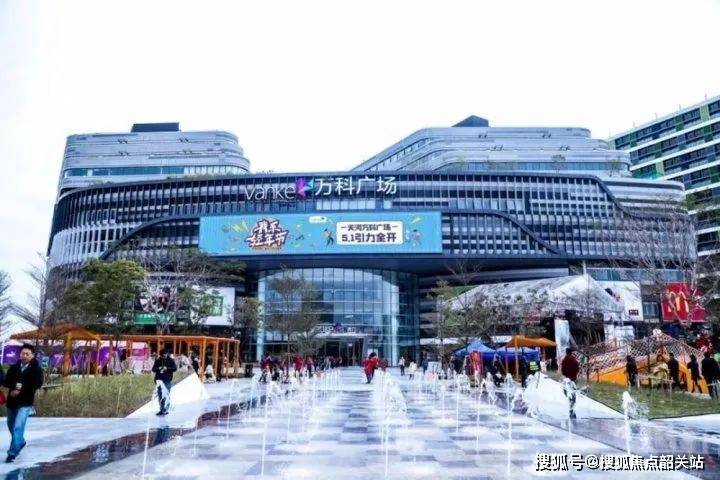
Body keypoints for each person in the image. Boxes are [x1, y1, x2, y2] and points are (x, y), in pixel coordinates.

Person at [3, 344, 43, 463]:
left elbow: (38, 384)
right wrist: (14, 386)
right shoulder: (14, 367)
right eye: (22, 353)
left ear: (32, 355)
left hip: (25, 403)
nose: (24, 356)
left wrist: (22, 387)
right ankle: (20, 441)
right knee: (11, 426)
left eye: (27, 354)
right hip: (12, 401)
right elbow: (6, 381)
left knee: (18, 426)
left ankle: (12, 453)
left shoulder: (36, 369)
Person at [152, 348, 177, 416]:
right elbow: (153, 369)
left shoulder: (171, 360)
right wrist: (158, 368)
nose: (164, 356)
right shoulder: (158, 360)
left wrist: (167, 368)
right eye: (162, 355)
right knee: (160, 396)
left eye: (165, 355)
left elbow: (175, 368)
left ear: (167, 354)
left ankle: (165, 409)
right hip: (159, 380)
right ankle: (162, 410)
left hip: (167, 380)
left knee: (165, 395)